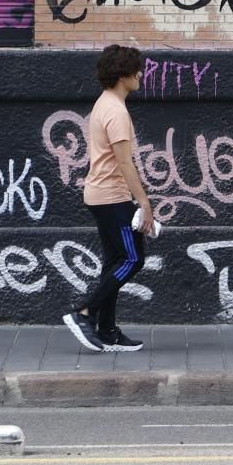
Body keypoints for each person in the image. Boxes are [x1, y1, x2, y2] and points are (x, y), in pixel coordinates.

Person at [62, 44, 156, 353]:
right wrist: (143, 203)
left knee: (114, 262)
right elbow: (125, 162)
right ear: (122, 75)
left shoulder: (104, 104)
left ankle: (108, 331)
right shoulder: (116, 111)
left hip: (100, 195)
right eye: (135, 70)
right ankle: (85, 313)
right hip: (112, 197)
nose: (140, 74)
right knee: (132, 259)